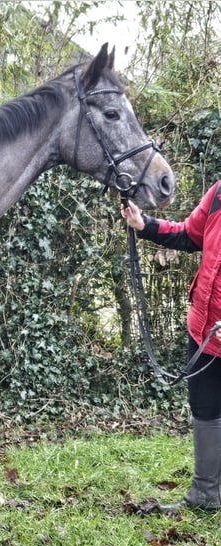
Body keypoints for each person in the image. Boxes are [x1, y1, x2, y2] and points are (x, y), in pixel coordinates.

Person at [122, 179, 221, 511]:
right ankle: (205, 494)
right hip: (205, 329)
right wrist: (144, 225)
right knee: (205, 408)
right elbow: (190, 234)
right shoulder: (220, 192)